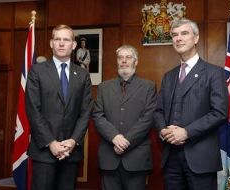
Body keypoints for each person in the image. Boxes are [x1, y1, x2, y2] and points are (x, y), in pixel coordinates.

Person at [153, 18, 229, 190]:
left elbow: (219, 112)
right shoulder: (169, 76)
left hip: (200, 158)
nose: (178, 38)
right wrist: (163, 130)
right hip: (170, 157)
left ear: (196, 38)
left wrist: (187, 132)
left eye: (184, 33)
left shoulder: (214, 73)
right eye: (174, 35)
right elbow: (158, 111)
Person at [25, 24, 93, 190]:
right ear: (51, 43)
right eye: (57, 39)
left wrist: (73, 140)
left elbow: (85, 112)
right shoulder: (37, 71)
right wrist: (51, 142)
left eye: (66, 39)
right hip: (44, 152)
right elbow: (33, 110)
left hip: (71, 152)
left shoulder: (82, 75)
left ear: (74, 45)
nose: (61, 43)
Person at [93, 44, 157, 190]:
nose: (124, 61)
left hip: (136, 158)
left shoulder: (148, 87)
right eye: (120, 57)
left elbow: (148, 118)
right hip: (109, 156)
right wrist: (114, 137)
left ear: (136, 62)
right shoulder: (104, 87)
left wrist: (126, 141)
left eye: (128, 57)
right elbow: (98, 116)